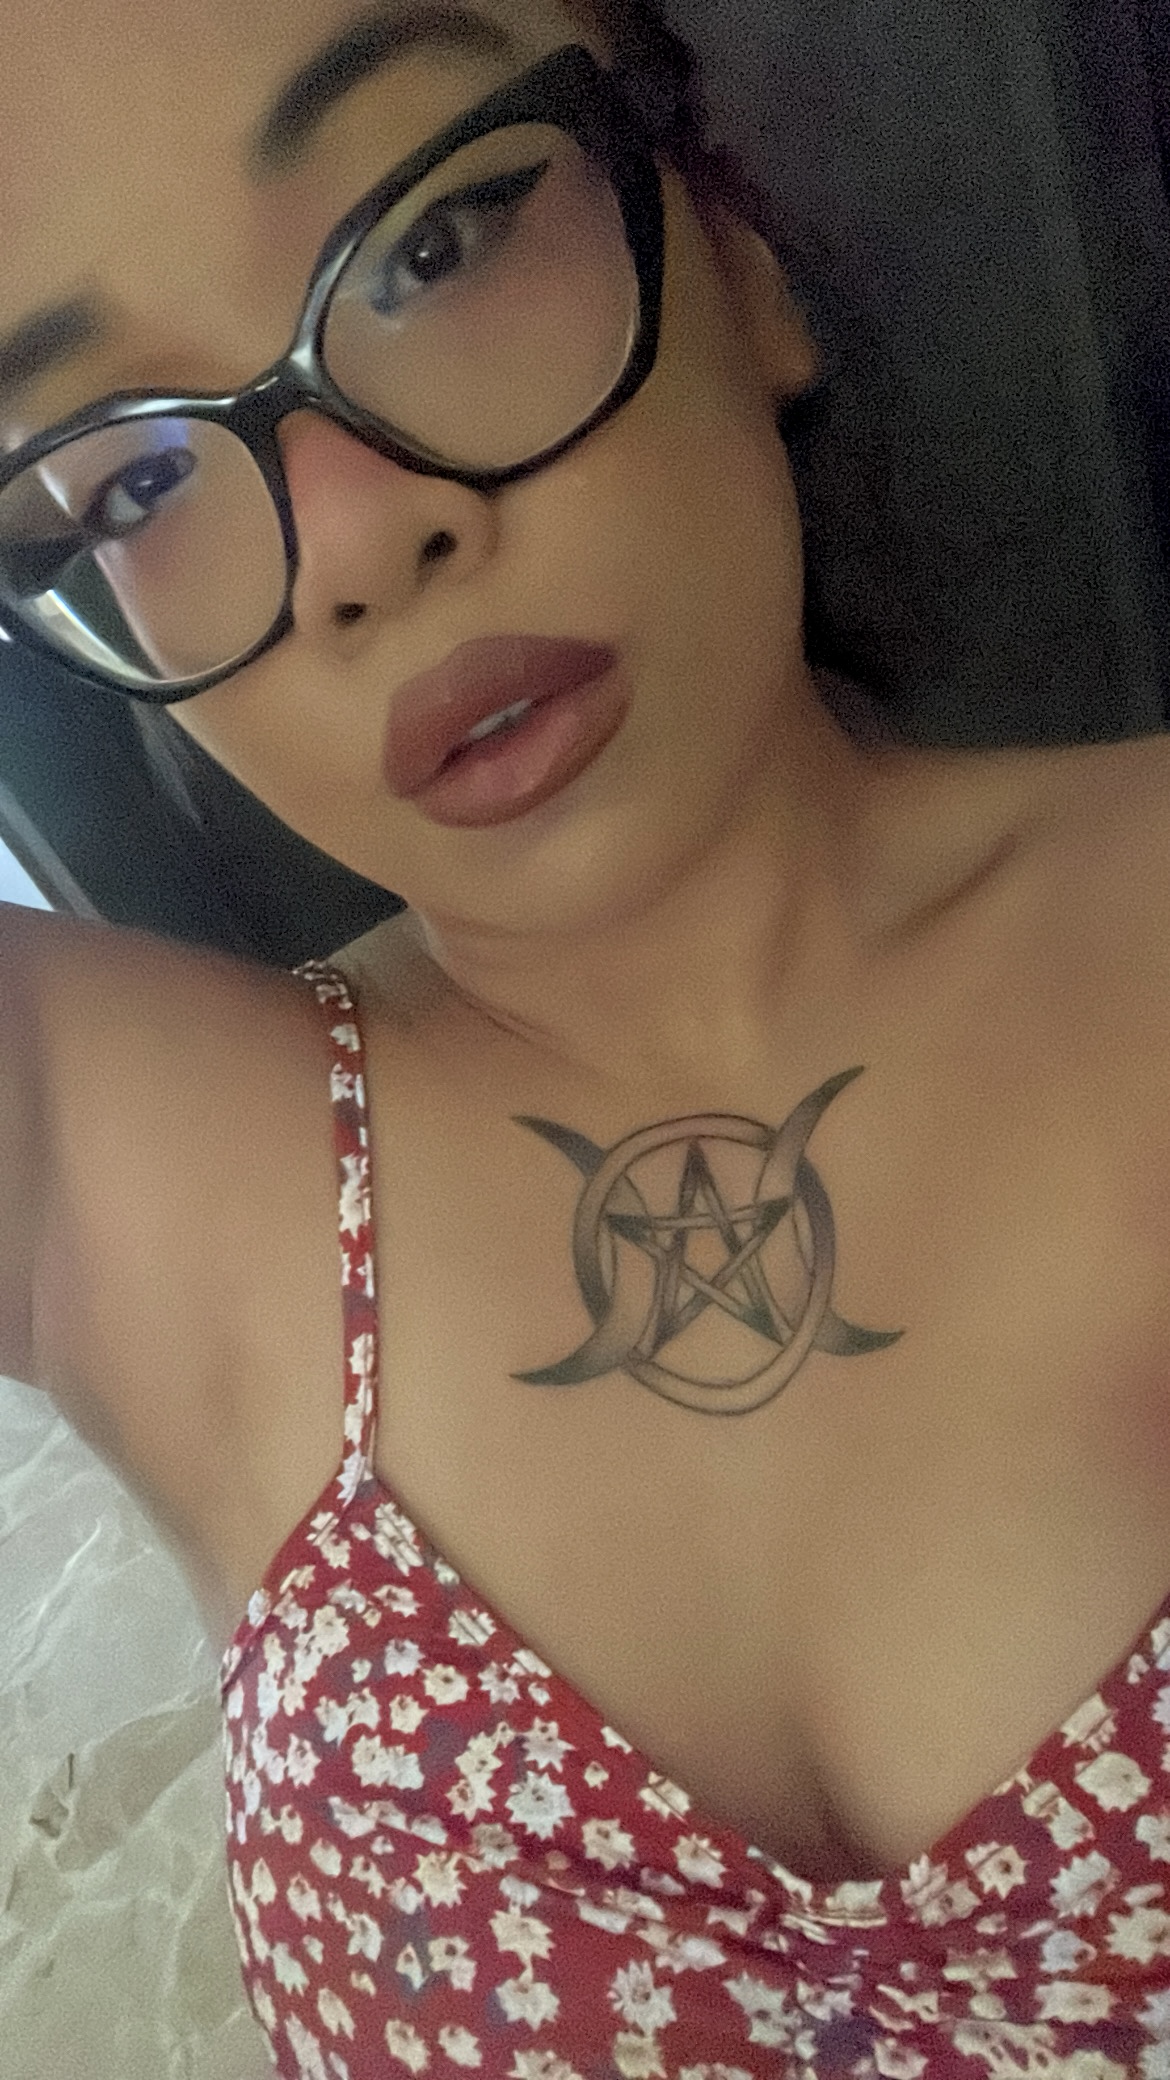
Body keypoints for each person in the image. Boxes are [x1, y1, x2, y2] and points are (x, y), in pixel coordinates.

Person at [2, 0, 1170, 2072]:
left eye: (430, 243)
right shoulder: (104, 1150)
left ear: (738, 252)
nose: (358, 537)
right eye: (134, 476)